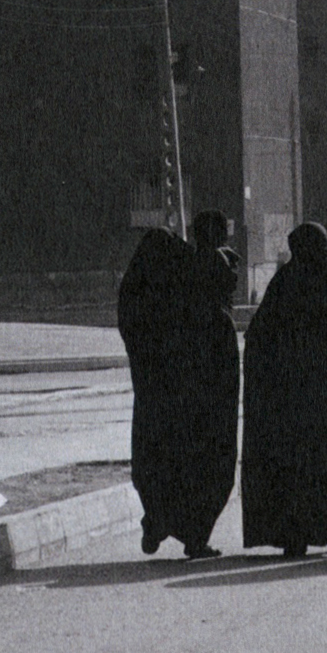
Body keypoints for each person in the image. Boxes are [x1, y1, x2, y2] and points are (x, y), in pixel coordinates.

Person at [116, 215, 241, 559]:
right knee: (206, 459)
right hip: (204, 392)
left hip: (161, 391)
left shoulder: (161, 281)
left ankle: (157, 519)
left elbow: (133, 322)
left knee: (161, 457)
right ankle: (195, 537)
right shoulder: (205, 268)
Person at [241, 223, 327, 557]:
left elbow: (260, 333)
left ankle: (296, 535)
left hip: (290, 395)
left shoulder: (286, 282)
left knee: (295, 466)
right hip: (326, 392)